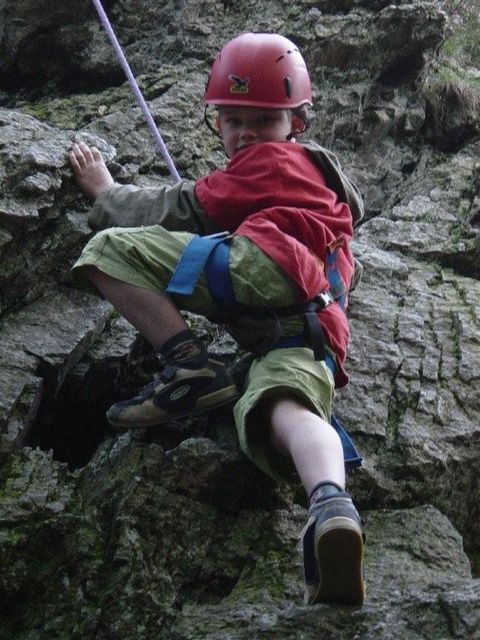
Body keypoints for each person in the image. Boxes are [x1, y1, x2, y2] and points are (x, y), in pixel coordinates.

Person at [69, 32, 365, 606]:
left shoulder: (272, 161)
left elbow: (182, 207)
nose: (245, 133)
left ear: (297, 123)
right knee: (288, 408)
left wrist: (106, 192)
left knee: (106, 252)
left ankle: (188, 365)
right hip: (313, 327)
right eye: (233, 121)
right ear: (217, 122)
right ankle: (331, 503)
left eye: (262, 120)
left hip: (265, 270)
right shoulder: (325, 193)